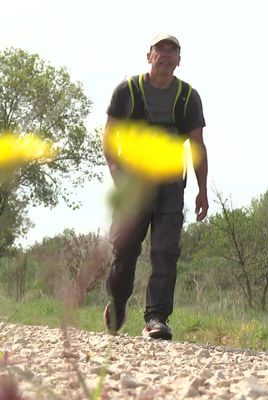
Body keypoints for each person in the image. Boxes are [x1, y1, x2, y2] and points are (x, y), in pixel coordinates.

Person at [102, 34, 208, 340]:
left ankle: (157, 318)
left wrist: (202, 191)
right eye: (160, 49)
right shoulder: (128, 90)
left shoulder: (188, 97)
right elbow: (110, 136)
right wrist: (116, 173)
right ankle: (117, 303)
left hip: (171, 184)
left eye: (172, 50)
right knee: (125, 249)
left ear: (179, 59)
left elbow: (198, 146)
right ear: (149, 55)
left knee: (165, 251)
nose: (165, 55)